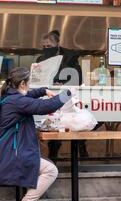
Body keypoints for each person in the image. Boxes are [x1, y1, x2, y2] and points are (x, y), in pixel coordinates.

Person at [0, 67, 72, 201]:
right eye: (29, 83)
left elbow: (29, 96)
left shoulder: (10, 97)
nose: (30, 86)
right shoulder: (17, 101)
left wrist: (43, 90)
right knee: (51, 170)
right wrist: (66, 95)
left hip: (6, 153)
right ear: (23, 83)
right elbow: (43, 107)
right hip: (10, 157)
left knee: (44, 162)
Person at [36, 31, 87, 161]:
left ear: (57, 44)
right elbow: (36, 80)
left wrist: (63, 81)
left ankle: (82, 153)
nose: (46, 49)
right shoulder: (40, 60)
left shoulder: (70, 57)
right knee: (52, 127)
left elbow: (78, 78)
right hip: (49, 98)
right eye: (44, 47)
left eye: (49, 46)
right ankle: (53, 156)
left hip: (67, 98)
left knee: (73, 128)